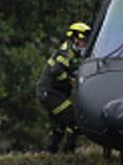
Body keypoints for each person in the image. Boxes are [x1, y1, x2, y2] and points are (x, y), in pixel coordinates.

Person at [37, 22, 90, 154]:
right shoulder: (67, 52)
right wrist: (70, 80)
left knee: (59, 126)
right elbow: (56, 71)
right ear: (75, 39)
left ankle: (50, 154)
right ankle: (69, 153)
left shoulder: (73, 53)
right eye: (83, 40)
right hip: (50, 93)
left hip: (53, 93)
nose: (85, 44)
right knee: (74, 121)